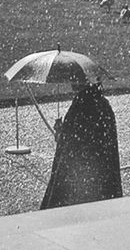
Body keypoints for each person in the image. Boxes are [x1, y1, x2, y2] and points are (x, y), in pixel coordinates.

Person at [41, 80, 123, 209]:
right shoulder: (104, 104)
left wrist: (61, 133)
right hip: (102, 174)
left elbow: (72, 142)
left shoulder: (80, 106)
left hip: (80, 175)